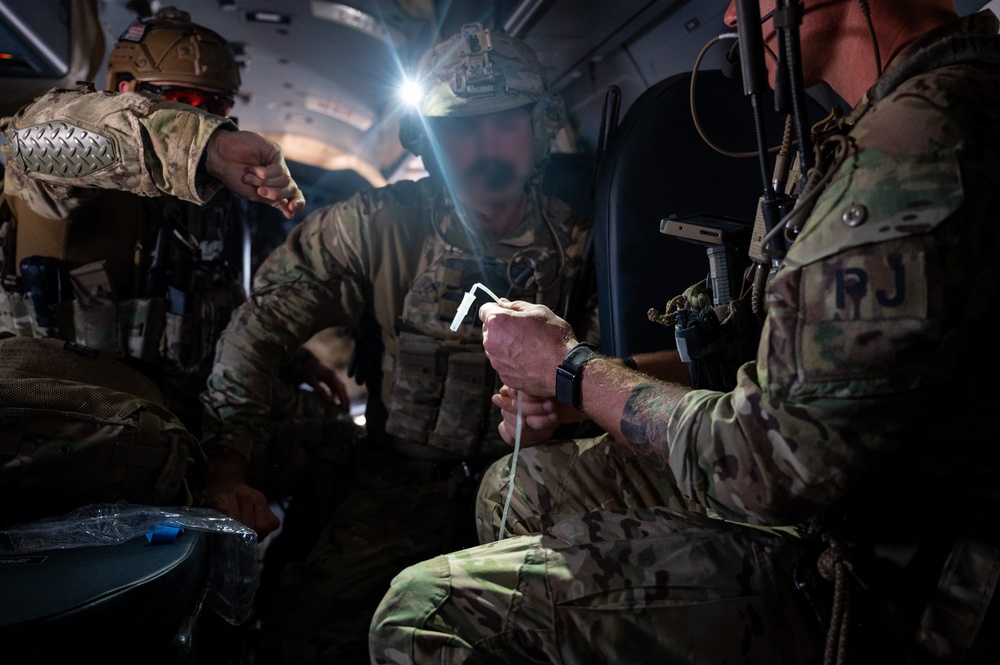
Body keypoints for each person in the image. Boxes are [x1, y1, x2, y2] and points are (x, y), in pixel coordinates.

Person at [370, 1, 1000, 662]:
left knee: (422, 612)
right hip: (838, 498)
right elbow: (774, 367)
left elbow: (772, 463)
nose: (730, 15)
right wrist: (579, 384)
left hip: (886, 566)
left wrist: (573, 370)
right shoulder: (869, 128)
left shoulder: (915, 144)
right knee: (520, 481)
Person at [198, 23, 599, 662]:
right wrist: (229, 469)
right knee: (308, 631)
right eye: (460, 130)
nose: (484, 146)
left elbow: (620, 375)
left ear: (542, 127)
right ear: (429, 143)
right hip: (400, 482)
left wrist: (566, 409)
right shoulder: (372, 226)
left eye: (504, 123)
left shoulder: (586, 244)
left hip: (539, 484)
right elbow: (259, 331)